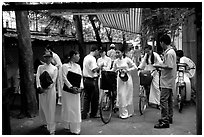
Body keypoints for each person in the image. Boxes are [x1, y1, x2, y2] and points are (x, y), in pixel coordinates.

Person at [153, 34, 177, 128]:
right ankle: (169, 117)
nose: (160, 44)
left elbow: (169, 66)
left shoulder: (169, 53)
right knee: (169, 100)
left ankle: (164, 121)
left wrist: (158, 66)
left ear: (163, 42)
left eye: (161, 43)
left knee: (163, 100)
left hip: (167, 80)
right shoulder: (170, 52)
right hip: (169, 79)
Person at [61, 50, 83, 135]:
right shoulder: (65, 66)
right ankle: (67, 124)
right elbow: (64, 77)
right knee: (67, 108)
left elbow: (80, 78)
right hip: (68, 91)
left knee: (75, 109)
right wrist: (71, 87)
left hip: (76, 91)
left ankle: (75, 128)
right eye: (78, 55)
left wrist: (81, 87)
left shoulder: (78, 66)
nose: (79, 57)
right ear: (74, 55)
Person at [36, 50, 58, 135]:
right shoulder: (40, 67)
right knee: (43, 106)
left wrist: (48, 87)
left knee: (51, 108)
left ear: (52, 58)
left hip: (50, 90)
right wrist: (40, 87)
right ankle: (45, 122)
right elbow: (37, 78)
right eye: (46, 57)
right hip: (42, 90)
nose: (47, 59)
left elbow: (54, 80)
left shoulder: (54, 68)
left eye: (49, 57)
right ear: (44, 58)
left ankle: (52, 128)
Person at [111, 47, 137, 119]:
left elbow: (135, 67)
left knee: (128, 95)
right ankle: (123, 113)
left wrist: (127, 70)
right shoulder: (116, 61)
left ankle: (129, 112)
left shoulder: (127, 60)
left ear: (122, 53)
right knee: (121, 94)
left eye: (118, 52)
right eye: (116, 52)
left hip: (127, 79)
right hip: (120, 79)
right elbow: (113, 69)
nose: (117, 54)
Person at [138, 44, 162, 108]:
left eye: (148, 51)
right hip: (147, 71)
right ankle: (148, 99)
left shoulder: (156, 55)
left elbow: (160, 62)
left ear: (151, 50)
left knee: (156, 87)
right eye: (146, 51)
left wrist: (156, 65)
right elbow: (143, 63)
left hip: (154, 71)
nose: (147, 53)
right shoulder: (146, 56)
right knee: (145, 85)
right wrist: (139, 68)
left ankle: (158, 103)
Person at [81, 45, 100, 119]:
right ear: (95, 51)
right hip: (92, 79)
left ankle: (84, 113)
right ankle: (93, 113)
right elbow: (94, 69)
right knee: (94, 97)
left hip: (85, 79)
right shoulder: (92, 59)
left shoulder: (86, 57)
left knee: (86, 97)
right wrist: (99, 67)